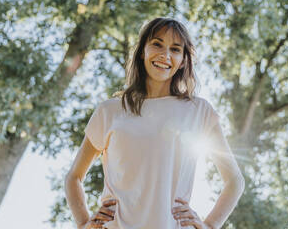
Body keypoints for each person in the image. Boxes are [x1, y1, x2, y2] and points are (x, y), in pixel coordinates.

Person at [65, 17, 245, 229]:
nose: (165, 55)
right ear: (143, 51)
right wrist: (84, 223)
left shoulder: (199, 111)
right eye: (157, 44)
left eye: (175, 49)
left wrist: (209, 225)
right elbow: (74, 177)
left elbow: (234, 181)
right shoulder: (110, 110)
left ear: (183, 60)